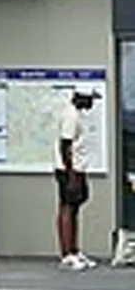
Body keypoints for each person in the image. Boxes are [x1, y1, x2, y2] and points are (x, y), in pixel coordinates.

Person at [56, 84, 99, 271]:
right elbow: (65, 146)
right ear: (81, 97)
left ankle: (74, 250)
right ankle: (66, 255)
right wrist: (71, 174)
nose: (92, 103)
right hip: (69, 171)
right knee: (67, 207)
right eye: (90, 99)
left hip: (77, 169)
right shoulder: (71, 116)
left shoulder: (78, 114)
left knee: (75, 208)